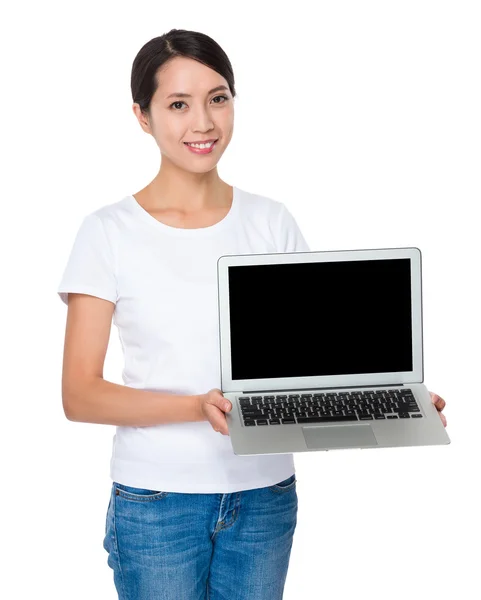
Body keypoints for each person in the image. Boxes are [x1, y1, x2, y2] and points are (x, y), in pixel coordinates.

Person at [57, 29, 448, 600]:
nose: (204, 123)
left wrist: (389, 391)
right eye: (178, 104)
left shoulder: (271, 221)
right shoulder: (108, 232)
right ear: (143, 117)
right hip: (158, 503)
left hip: (264, 497)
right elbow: (79, 395)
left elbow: (313, 356)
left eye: (218, 98)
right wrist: (195, 407)